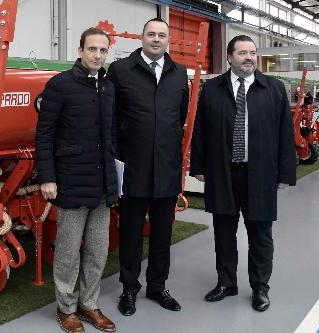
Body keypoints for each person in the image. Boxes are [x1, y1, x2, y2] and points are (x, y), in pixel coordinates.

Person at [190, 35, 296, 312]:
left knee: (260, 234)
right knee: (223, 232)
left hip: (260, 174)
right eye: (242, 53)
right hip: (222, 173)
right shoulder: (212, 89)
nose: (249, 57)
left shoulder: (273, 88)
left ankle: (260, 287)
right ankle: (226, 283)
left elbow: (286, 133)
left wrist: (286, 172)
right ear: (229, 57)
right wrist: (198, 167)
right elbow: (200, 130)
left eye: (252, 52)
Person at [35, 27, 118, 333]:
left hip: (102, 182)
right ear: (80, 51)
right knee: (68, 251)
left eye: (103, 50)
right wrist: (48, 177)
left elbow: (111, 136)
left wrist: (115, 173)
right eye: (92, 49)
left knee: (97, 249)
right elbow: (44, 136)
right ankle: (66, 308)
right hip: (71, 180)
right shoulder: (60, 86)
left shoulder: (108, 88)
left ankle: (89, 304)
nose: (97, 55)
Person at [107, 18, 188, 316]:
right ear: (141, 37)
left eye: (162, 35)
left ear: (168, 40)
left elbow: (179, 116)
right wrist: (117, 157)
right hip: (132, 167)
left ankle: (157, 287)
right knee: (130, 232)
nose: (156, 39)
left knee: (162, 234)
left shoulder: (179, 74)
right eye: (151, 34)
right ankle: (129, 288)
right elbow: (110, 118)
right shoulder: (120, 71)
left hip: (166, 167)